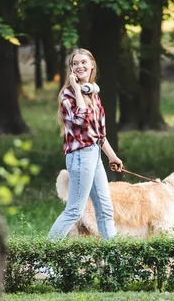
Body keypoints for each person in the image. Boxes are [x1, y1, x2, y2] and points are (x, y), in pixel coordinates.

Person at [48, 48, 123, 240]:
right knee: (74, 210)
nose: (80, 66)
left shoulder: (94, 93)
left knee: (106, 210)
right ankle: (42, 260)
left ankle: (114, 263)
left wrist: (112, 156)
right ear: (71, 69)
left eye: (83, 62)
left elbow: (99, 133)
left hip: (94, 154)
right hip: (80, 156)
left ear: (92, 65)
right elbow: (81, 119)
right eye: (75, 63)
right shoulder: (68, 95)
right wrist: (76, 89)